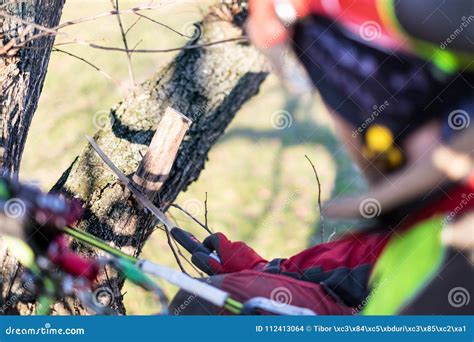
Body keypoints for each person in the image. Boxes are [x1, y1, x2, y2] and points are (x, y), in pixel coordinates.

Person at [170, 0, 474, 315]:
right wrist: (273, 273)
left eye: (350, 111)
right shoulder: (429, 222)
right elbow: (358, 265)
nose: (355, 143)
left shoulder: (459, 249)